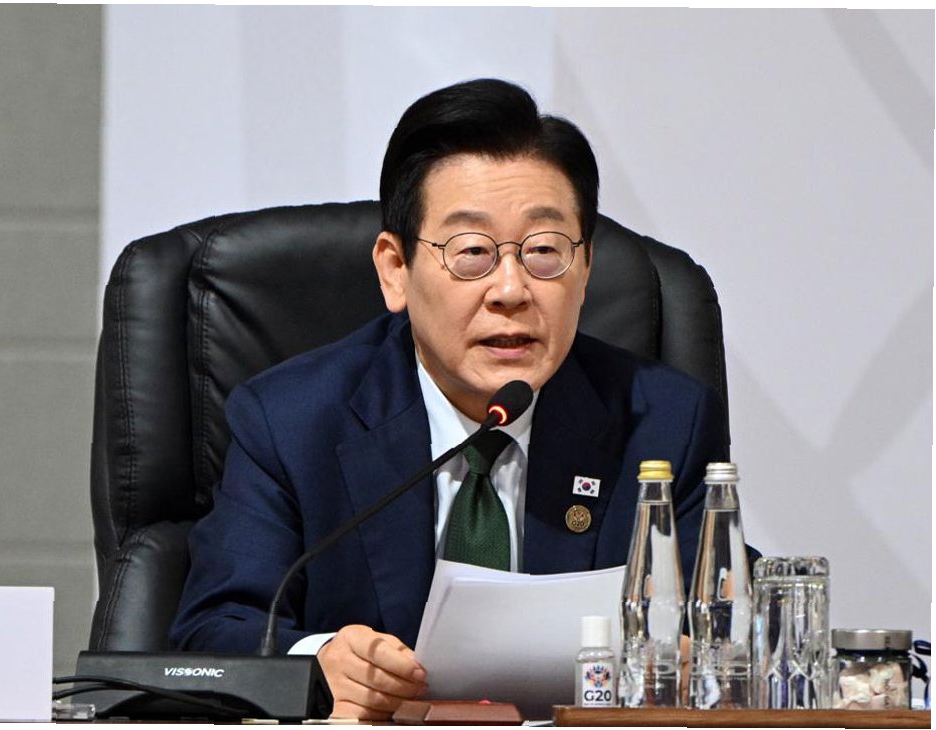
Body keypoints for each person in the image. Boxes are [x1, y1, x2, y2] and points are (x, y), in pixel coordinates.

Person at [170, 78, 728, 719]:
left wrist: (703, 651)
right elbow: (213, 633)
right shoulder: (292, 422)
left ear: (585, 269)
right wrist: (319, 666)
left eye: (544, 252)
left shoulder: (665, 423)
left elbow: (728, 612)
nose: (511, 290)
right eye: (473, 253)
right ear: (395, 270)